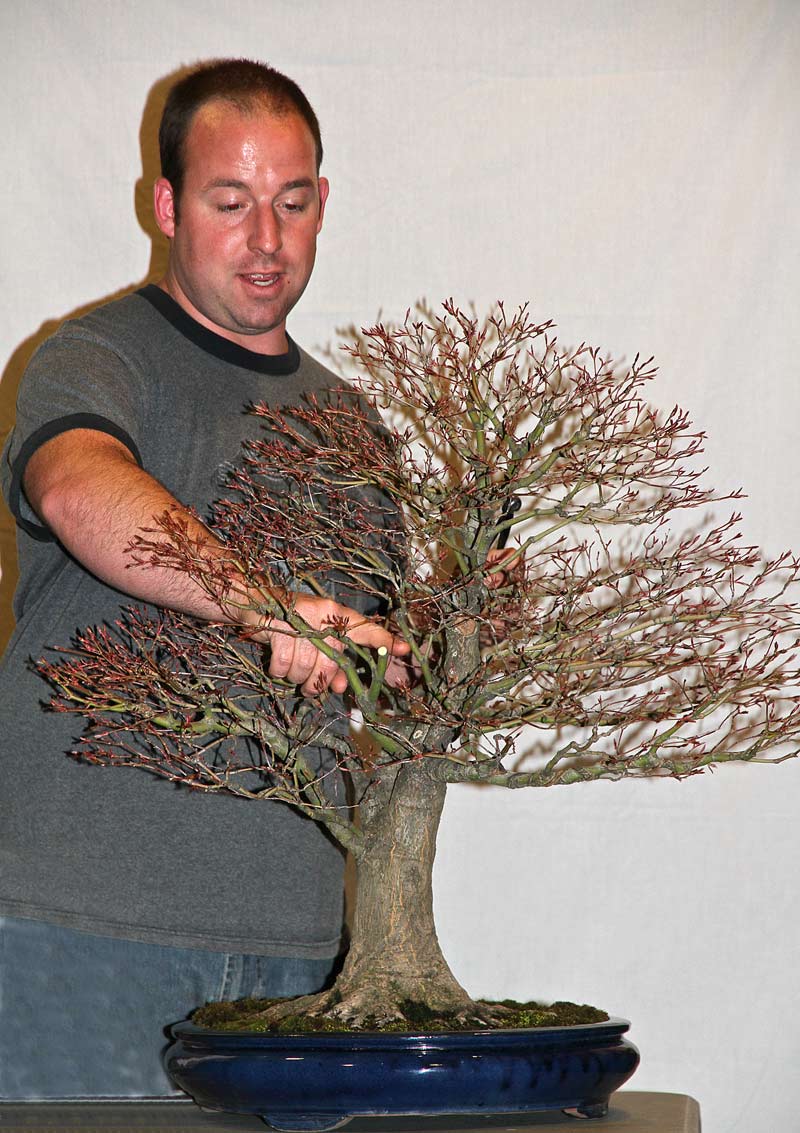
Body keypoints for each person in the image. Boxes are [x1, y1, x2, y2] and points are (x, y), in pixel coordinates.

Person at [0, 58, 408, 1099]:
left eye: (292, 201)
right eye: (231, 203)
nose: (265, 239)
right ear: (169, 204)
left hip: (300, 947)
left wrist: (465, 624)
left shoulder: (351, 425)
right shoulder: (94, 358)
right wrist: (259, 603)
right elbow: (79, 485)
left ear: (324, 202)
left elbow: (387, 665)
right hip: (82, 930)